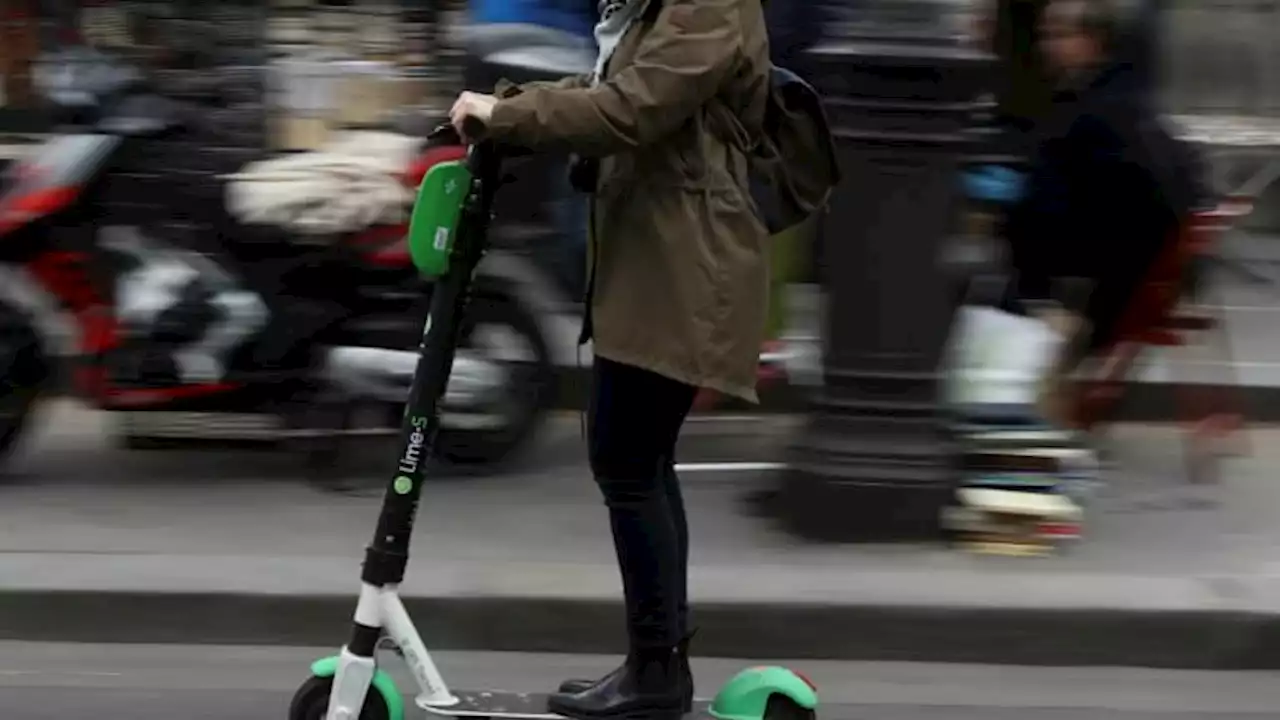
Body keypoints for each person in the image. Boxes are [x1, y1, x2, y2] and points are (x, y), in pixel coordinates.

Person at [448, 0, 772, 717]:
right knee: (638, 461)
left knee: (627, 460)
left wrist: (508, 119)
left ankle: (656, 675)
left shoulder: (707, 6)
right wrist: (506, 106)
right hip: (657, 265)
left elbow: (629, 110)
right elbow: (601, 88)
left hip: (686, 271)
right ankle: (656, 665)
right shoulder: (655, 13)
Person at [1004, 0, 1208, 396]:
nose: (1046, 46)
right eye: (1045, 35)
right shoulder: (1125, 101)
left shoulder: (1094, 113)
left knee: (982, 278)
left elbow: (1049, 208)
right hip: (1146, 277)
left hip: (1114, 288)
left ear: (1092, 41)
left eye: (1058, 35)